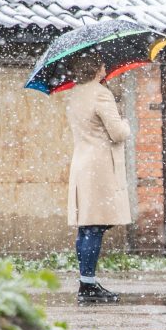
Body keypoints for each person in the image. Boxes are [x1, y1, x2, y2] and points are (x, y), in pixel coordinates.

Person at [65, 49, 133, 303]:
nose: (106, 66)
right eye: (103, 63)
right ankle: (88, 285)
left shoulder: (75, 94)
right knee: (95, 225)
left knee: (87, 226)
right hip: (99, 167)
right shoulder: (101, 94)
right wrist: (125, 123)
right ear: (96, 68)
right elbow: (117, 133)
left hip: (82, 164)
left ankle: (86, 280)